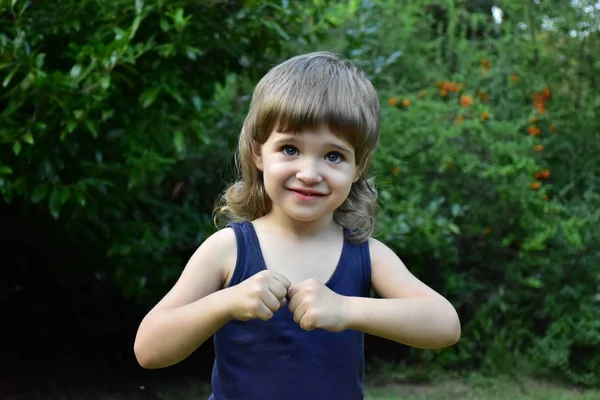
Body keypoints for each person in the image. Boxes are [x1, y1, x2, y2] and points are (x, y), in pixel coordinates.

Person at [133, 51, 461, 399]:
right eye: (290, 149)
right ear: (258, 152)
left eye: (333, 155)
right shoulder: (228, 250)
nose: (309, 173)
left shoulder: (366, 255)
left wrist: (346, 309)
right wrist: (226, 302)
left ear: (359, 166)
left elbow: (444, 325)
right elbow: (149, 349)